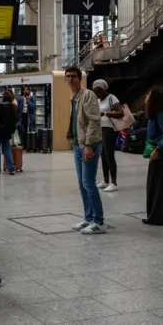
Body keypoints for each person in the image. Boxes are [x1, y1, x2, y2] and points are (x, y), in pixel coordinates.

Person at [65, 66, 106, 234]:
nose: (70, 79)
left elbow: (94, 121)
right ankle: (88, 218)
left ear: (80, 78)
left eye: (73, 76)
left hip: (89, 145)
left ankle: (99, 221)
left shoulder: (88, 95)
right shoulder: (74, 97)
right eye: (67, 77)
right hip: (78, 144)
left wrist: (88, 145)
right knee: (82, 184)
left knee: (89, 183)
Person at [143, 88, 163, 226]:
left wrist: (158, 149)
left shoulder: (159, 114)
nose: (146, 97)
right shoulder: (158, 114)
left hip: (159, 153)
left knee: (156, 185)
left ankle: (157, 216)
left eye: (149, 95)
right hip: (160, 153)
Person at [92, 79, 123, 192]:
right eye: (95, 90)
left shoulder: (112, 98)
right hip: (101, 129)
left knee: (109, 155)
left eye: (98, 90)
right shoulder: (99, 100)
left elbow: (121, 113)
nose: (96, 93)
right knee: (103, 155)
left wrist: (105, 113)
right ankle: (105, 180)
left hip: (110, 129)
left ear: (103, 88)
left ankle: (114, 182)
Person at [17, 87, 36, 152]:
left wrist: (28, 101)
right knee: (22, 132)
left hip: (30, 117)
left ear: (29, 91)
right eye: (25, 90)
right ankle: (23, 145)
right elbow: (18, 108)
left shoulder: (32, 98)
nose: (26, 91)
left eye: (27, 89)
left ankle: (30, 146)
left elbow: (33, 107)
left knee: (30, 131)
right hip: (22, 117)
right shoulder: (20, 98)